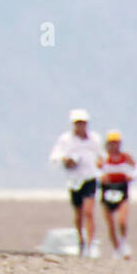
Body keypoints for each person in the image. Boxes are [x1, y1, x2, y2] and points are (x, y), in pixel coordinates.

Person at [47, 108, 104, 257]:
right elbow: (55, 156)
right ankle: (81, 240)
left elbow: (101, 156)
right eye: (78, 123)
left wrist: (100, 163)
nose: (81, 126)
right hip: (74, 181)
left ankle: (91, 245)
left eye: (83, 123)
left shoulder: (94, 139)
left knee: (89, 212)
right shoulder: (66, 140)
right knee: (79, 214)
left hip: (90, 178)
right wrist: (66, 160)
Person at [98, 130, 137, 260]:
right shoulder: (103, 158)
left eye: (116, 143)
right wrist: (101, 176)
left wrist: (132, 175)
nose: (114, 145)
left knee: (122, 221)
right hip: (107, 191)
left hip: (122, 190)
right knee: (110, 223)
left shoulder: (125, 157)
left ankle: (124, 243)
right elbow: (94, 170)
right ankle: (116, 249)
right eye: (112, 143)